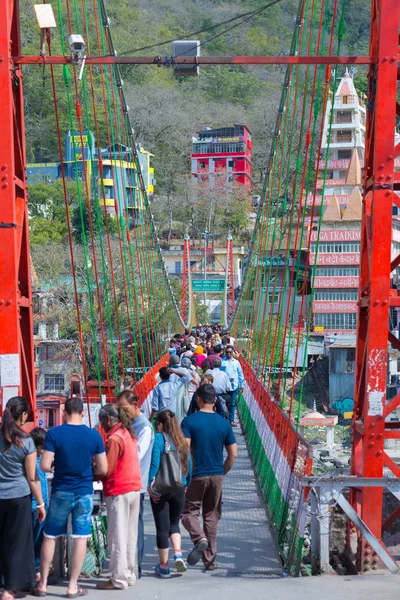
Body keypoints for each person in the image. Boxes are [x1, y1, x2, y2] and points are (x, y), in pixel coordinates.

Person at [36, 397, 107, 598]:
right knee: (80, 537)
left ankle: (43, 584)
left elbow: (44, 465)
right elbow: (103, 467)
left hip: (60, 491)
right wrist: (87, 469)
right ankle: (73, 586)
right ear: (83, 413)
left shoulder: (54, 434)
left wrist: (58, 464)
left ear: (65, 413)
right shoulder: (94, 436)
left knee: (50, 536)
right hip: (84, 491)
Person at [181, 384, 237, 571]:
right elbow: (233, 454)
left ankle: (199, 538)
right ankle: (210, 561)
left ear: (198, 399)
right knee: (211, 516)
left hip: (198, 474)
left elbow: (184, 451)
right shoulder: (224, 423)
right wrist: (222, 471)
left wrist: (184, 475)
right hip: (217, 474)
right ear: (214, 400)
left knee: (188, 513)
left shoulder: (189, 422)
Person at [0, 397, 46, 600]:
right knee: (18, 542)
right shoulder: (26, 441)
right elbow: (32, 477)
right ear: (24, 415)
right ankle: (10, 589)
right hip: (19, 497)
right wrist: (41, 503)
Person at [96, 404, 142, 590]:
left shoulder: (114, 438)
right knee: (131, 535)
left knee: (117, 535)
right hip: (134, 488)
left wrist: (91, 472)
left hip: (119, 490)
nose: (101, 426)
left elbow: (107, 469)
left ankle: (118, 579)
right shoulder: (129, 434)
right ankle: (129, 574)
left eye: (101, 422)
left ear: (108, 419)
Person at [148, 410, 192, 578]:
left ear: (159, 424)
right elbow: (188, 463)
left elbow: (154, 464)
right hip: (179, 487)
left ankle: (164, 566)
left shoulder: (159, 439)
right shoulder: (181, 440)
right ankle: (179, 554)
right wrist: (186, 483)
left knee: (162, 527)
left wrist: (150, 486)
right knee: (174, 523)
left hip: (161, 486)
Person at [117, 390, 154, 579]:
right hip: (123, 483)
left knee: (134, 527)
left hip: (135, 484)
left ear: (135, 406)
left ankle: (135, 568)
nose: (121, 413)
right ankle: (125, 566)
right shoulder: (127, 424)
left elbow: (136, 455)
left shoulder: (145, 428)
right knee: (123, 527)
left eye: (124, 409)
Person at [30, 427, 49, 579]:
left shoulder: (34, 462)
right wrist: (42, 505)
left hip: (36, 506)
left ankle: (36, 571)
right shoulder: (37, 463)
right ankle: (36, 572)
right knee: (37, 541)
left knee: (36, 540)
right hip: (37, 507)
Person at [221, 345, 244, 427]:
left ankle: (231, 420)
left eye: (230, 352)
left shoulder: (236, 362)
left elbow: (240, 374)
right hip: (224, 387)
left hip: (234, 386)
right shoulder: (222, 361)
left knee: (233, 404)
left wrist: (242, 384)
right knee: (223, 403)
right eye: (227, 352)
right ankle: (223, 419)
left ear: (233, 352)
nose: (228, 354)